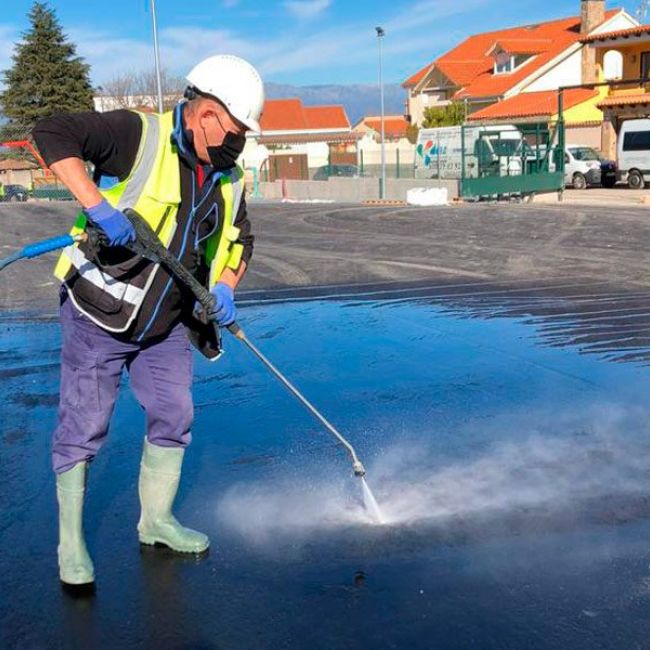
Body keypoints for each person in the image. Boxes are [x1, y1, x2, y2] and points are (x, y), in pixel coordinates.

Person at [32, 54, 264, 586]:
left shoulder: (228, 177)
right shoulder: (139, 134)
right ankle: (70, 543)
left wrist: (226, 286)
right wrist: (98, 206)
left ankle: (156, 521)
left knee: (173, 414)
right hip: (98, 313)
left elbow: (241, 240)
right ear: (206, 113)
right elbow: (52, 132)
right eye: (234, 130)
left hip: (163, 325)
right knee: (84, 425)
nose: (239, 143)